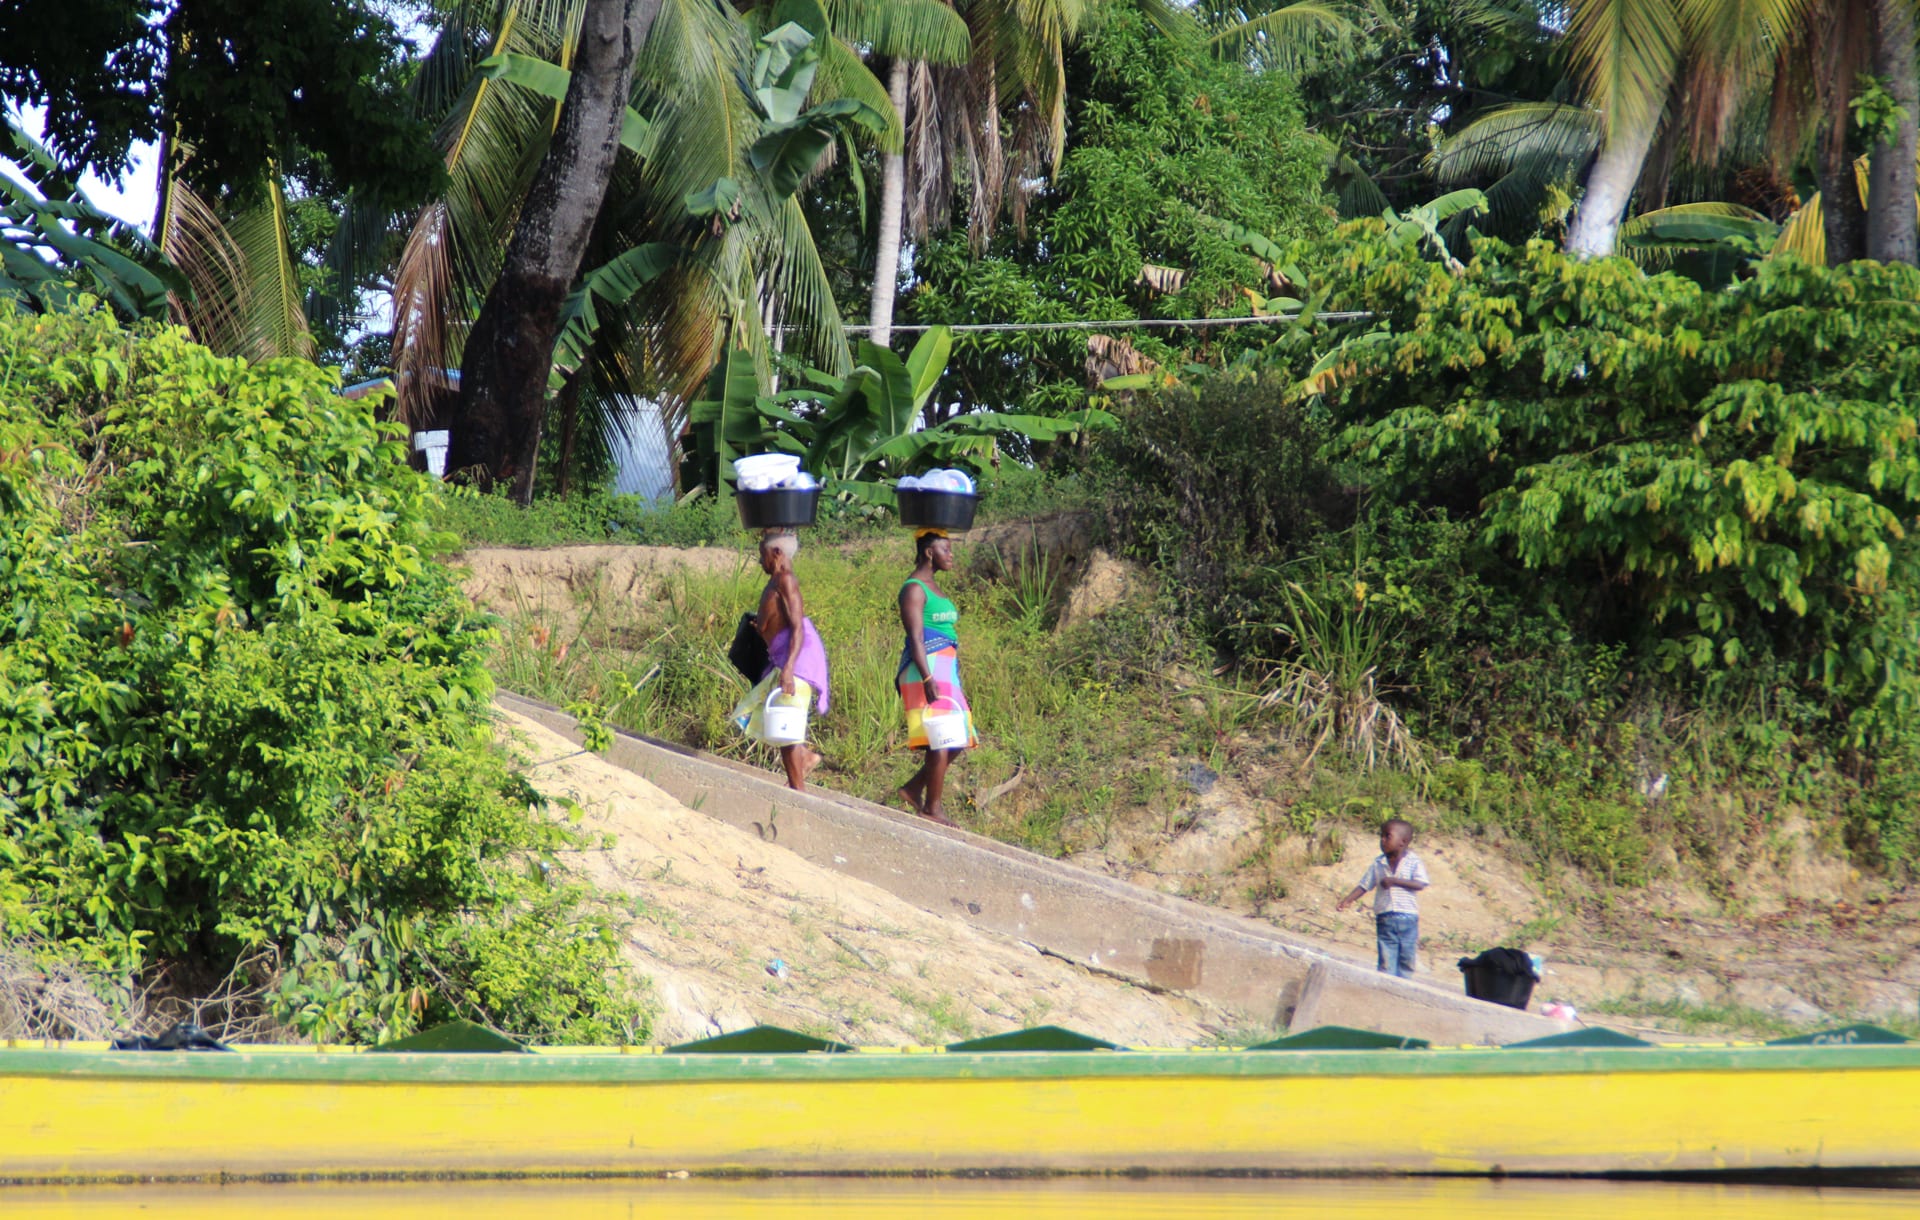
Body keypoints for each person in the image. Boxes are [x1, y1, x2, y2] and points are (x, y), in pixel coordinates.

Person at [730, 531, 828, 790]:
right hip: (782, 657)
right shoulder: (776, 581)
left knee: (786, 725)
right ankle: (804, 758)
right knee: (777, 720)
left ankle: (798, 793)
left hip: (797, 660)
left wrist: (788, 669)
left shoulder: (785, 579)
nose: (761, 562)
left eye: (763, 556)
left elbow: (798, 628)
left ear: (776, 554)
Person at [896, 528, 976, 826]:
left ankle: (914, 789)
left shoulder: (934, 588)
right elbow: (915, 636)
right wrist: (928, 677)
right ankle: (932, 808)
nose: (951, 554)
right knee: (943, 738)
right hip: (925, 669)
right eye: (946, 549)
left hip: (944, 669)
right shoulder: (914, 589)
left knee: (959, 737)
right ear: (929, 552)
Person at [1335, 818, 1431, 978]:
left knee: (1407, 956)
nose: (1382, 840)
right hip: (1385, 917)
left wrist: (1394, 881)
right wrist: (1348, 900)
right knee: (1387, 954)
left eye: (1387, 836)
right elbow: (1365, 885)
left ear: (1403, 841)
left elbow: (1420, 884)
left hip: (1408, 917)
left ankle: (1404, 986)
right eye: (1381, 836)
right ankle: (1385, 985)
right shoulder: (1378, 863)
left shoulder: (1413, 861)